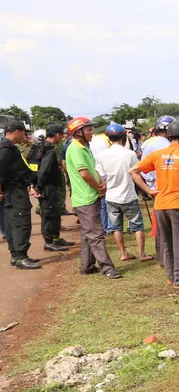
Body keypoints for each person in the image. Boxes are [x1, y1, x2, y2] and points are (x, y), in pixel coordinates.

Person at [130, 120, 179, 288]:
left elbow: (133, 171)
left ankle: (172, 277)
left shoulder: (157, 155)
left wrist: (149, 191)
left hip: (160, 205)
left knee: (167, 242)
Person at [65, 117, 122, 279]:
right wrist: (98, 186)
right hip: (85, 198)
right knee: (96, 235)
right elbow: (84, 173)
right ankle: (107, 268)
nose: (92, 132)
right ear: (78, 132)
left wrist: (100, 181)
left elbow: (91, 169)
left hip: (89, 196)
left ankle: (87, 266)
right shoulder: (75, 149)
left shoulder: (84, 147)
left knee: (87, 233)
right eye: (89, 130)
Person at [97, 123, 152, 263]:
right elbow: (136, 172)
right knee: (138, 226)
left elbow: (100, 175)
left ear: (108, 138)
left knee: (116, 227)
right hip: (128, 195)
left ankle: (123, 253)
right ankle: (142, 254)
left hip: (111, 196)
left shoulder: (102, 155)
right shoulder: (130, 154)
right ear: (123, 137)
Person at [0, 120, 41, 269]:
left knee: (12, 224)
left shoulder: (9, 147)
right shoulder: (6, 148)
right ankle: (21, 257)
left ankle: (15, 256)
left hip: (14, 190)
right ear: (17, 131)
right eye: (24, 132)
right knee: (21, 223)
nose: (25, 136)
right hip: (14, 191)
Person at [35, 123, 75, 252]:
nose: (63, 137)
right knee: (48, 215)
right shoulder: (48, 150)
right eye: (62, 135)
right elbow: (44, 171)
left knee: (55, 213)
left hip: (52, 187)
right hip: (48, 188)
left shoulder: (45, 147)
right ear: (57, 135)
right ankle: (49, 242)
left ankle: (56, 238)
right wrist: (38, 187)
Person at [139, 116, 174, 260]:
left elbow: (141, 169)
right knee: (173, 223)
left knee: (160, 222)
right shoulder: (171, 146)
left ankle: (162, 256)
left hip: (156, 189)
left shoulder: (150, 145)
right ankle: (171, 257)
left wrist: (152, 183)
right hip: (170, 188)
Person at [90, 123, 114, 235]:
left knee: (101, 203)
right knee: (108, 201)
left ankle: (103, 226)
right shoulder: (106, 140)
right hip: (105, 171)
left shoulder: (90, 140)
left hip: (95, 172)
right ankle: (110, 226)